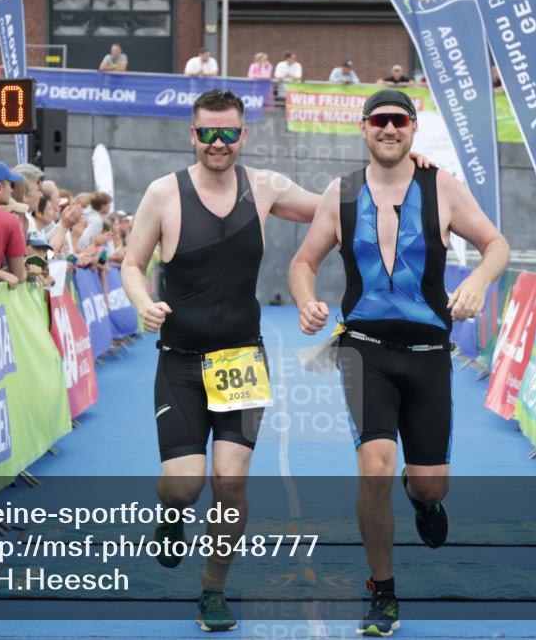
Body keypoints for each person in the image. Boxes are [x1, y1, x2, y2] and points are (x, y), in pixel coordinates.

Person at [121, 89, 435, 632]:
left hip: (241, 359)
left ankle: (212, 590)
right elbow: (131, 262)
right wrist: (142, 302)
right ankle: (171, 512)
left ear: (243, 135)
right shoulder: (163, 193)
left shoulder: (264, 187)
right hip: (180, 362)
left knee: (230, 482)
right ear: (192, 135)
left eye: (228, 133)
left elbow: (343, 204)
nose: (218, 143)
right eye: (207, 133)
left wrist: (405, 168)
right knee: (184, 485)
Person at [287, 88, 510, 637]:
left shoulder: (442, 187)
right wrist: (305, 299)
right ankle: (382, 590)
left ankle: (423, 499)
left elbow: (496, 244)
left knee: (431, 486)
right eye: (380, 121)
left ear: (413, 128)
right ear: (364, 128)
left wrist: (479, 281)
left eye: (400, 121)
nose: (389, 129)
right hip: (365, 351)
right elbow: (303, 261)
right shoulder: (340, 193)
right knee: (375, 466)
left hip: (429, 355)